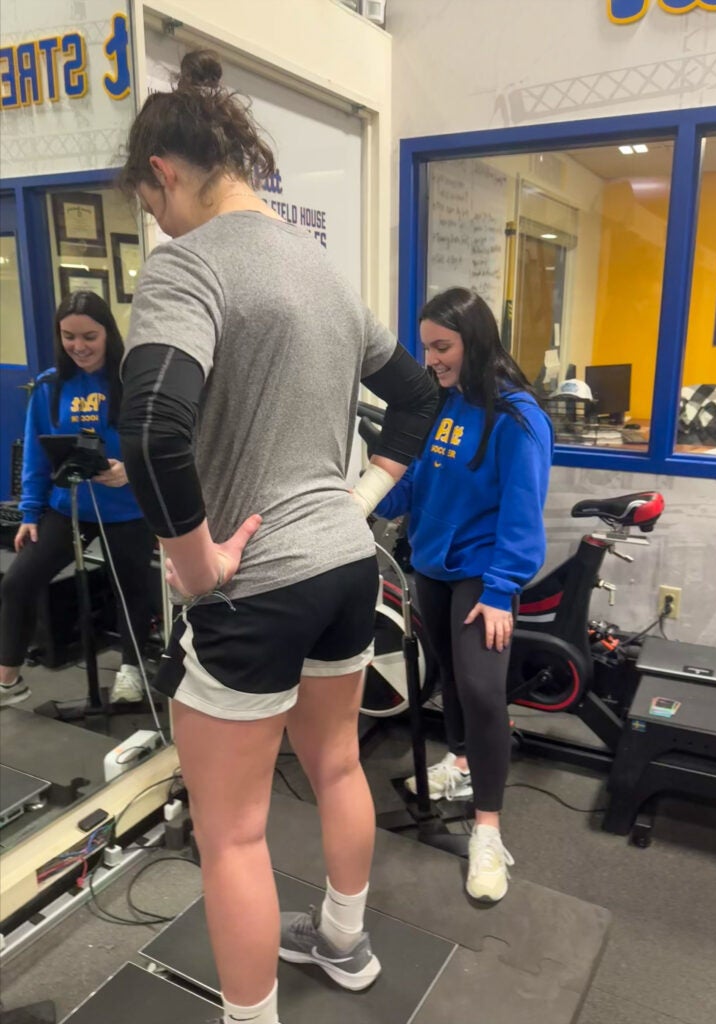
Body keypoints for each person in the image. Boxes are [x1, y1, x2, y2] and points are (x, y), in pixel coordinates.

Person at [116, 50, 437, 1024]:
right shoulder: (323, 271)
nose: (156, 224)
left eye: (150, 202)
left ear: (164, 174)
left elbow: (148, 426)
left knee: (233, 833)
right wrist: (363, 496)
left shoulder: (189, 263)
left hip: (255, 585)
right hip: (345, 566)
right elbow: (419, 395)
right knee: (336, 763)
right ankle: (344, 942)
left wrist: (196, 561)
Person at [375, 287, 553, 903]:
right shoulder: (441, 406)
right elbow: (418, 486)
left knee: (481, 690)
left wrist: (502, 590)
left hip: (483, 575)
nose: (432, 359)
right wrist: (370, 490)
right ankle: (460, 763)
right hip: (434, 567)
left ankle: (487, 831)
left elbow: (523, 513)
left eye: (442, 346)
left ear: (474, 341)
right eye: (426, 347)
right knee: (449, 677)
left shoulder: (518, 416)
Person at [0, 291, 156, 708]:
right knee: (17, 582)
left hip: (128, 510)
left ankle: (131, 670)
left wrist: (129, 471)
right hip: (65, 507)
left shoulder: (133, 380)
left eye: (90, 335)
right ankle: (9, 680)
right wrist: (29, 513)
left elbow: (162, 441)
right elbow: (35, 452)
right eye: (69, 337)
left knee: (132, 590)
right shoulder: (51, 385)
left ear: (108, 333)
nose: (79, 346)